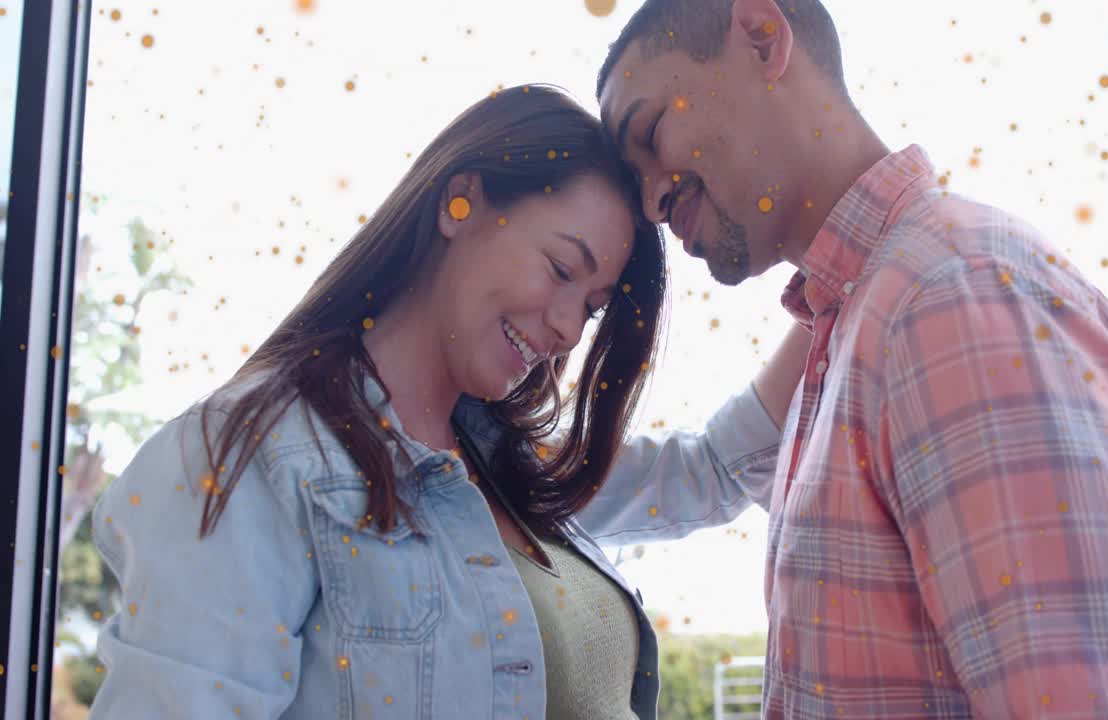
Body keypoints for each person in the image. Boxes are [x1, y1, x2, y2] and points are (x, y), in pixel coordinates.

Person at [87, 84, 810, 720]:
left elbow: (714, 469)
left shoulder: (507, 467)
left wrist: (837, 267)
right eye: (561, 268)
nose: (565, 329)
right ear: (458, 203)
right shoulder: (250, 460)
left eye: (589, 309)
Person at [596, 1, 1108, 716]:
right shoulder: (867, 320)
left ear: (763, 35)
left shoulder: (951, 294)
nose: (648, 202)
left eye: (648, 132)